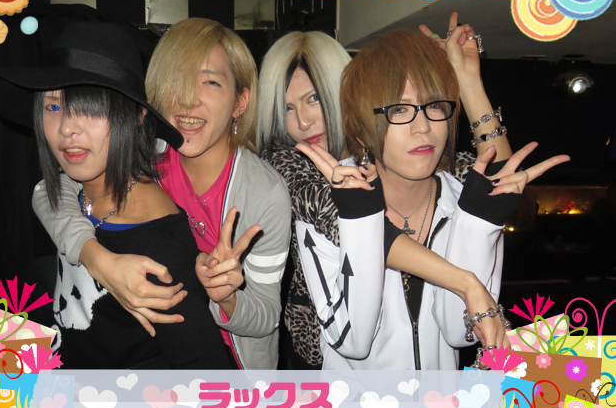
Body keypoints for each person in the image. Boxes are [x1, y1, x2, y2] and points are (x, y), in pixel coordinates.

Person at [294, 25, 569, 369]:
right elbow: (352, 341)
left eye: (435, 106)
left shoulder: (464, 203)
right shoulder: (329, 202)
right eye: (398, 110)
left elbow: (459, 333)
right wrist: (361, 217)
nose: (423, 126)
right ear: (362, 132)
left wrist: (479, 223)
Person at [32, 18, 291, 369]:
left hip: (227, 365)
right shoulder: (149, 155)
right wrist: (97, 259)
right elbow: (52, 190)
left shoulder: (265, 193)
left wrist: (225, 297)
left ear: (240, 101)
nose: (187, 98)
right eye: (176, 79)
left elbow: (267, 317)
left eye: (210, 82)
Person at [256, 24, 513, 369]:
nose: (302, 122)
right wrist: (466, 284)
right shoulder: (291, 167)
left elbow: (497, 178)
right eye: (287, 108)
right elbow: (353, 219)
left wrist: (466, 81)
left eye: (314, 98)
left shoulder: (427, 167)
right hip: (324, 367)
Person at [0, 22, 233, 369]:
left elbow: (209, 375)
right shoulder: (82, 193)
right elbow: (47, 194)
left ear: (137, 116)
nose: (67, 128)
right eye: (53, 107)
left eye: (93, 108)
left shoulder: (159, 249)